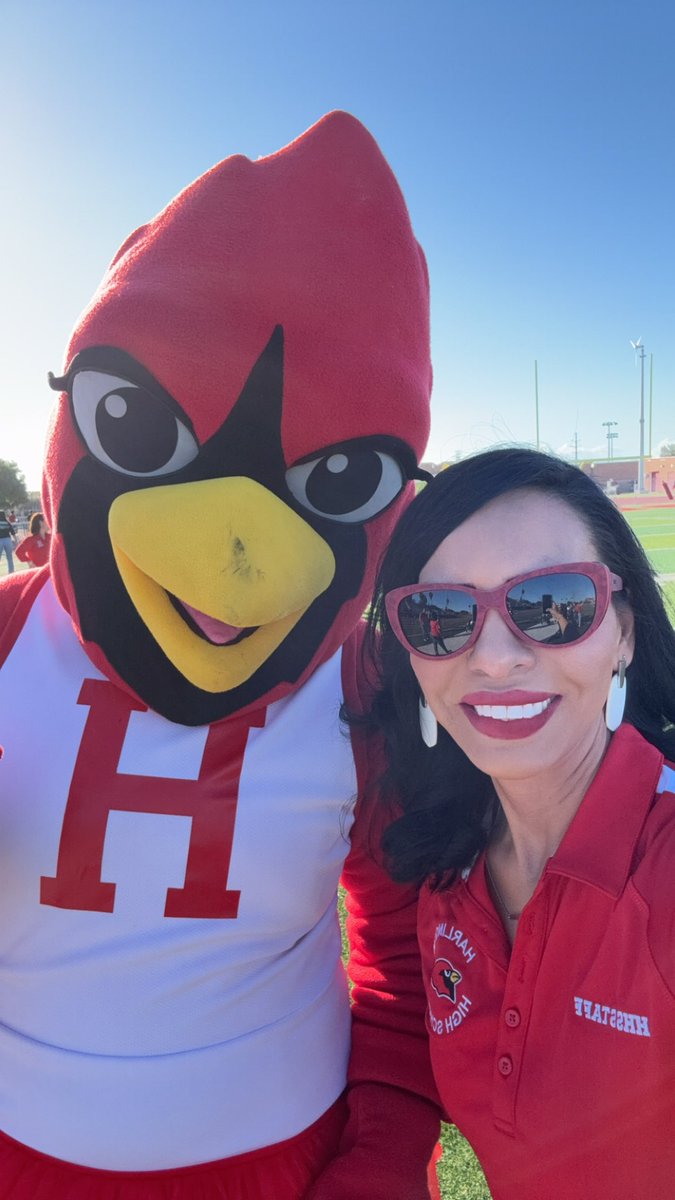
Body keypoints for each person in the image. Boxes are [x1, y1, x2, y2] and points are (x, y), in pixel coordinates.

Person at [0, 113, 441, 1199]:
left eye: (338, 484)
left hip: (282, 1157)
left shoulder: (363, 684)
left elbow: (403, 955)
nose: (234, 549)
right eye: (138, 429)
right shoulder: (9, 637)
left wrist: (377, 1166)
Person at [363, 447, 675, 1200]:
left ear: (624, 633)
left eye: (553, 605)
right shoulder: (445, 869)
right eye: (441, 616)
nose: (495, 658)